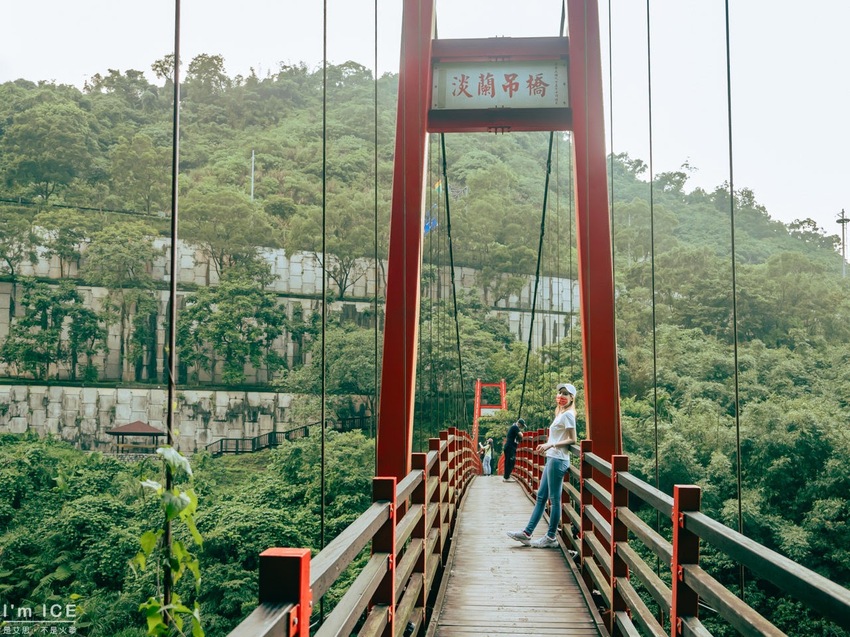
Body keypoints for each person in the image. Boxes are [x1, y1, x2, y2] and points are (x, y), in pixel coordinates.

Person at [507, 382, 578, 548]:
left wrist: (549, 445)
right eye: (560, 393)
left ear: (572, 398)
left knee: (554, 499)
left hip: (558, 459)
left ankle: (551, 537)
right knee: (541, 497)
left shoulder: (568, 415)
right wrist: (548, 445)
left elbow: (572, 439)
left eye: (565, 394)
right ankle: (527, 533)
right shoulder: (561, 414)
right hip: (552, 458)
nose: (561, 396)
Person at [502, 418, 526, 482]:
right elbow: (521, 435)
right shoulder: (515, 427)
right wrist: (524, 435)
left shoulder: (514, 427)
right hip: (510, 447)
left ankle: (506, 477)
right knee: (510, 461)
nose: (522, 427)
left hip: (510, 447)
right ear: (519, 424)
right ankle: (506, 477)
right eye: (522, 425)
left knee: (510, 461)